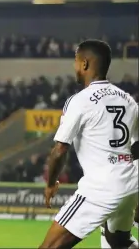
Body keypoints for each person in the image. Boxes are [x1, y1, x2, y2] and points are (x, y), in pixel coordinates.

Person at [40, 40, 139, 249]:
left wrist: (50, 184)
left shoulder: (80, 101)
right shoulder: (128, 100)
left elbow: (60, 150)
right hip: (131, 184)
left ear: (84, 64)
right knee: (119, 242)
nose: (75, 67)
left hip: (101, 187)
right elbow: (137, 147)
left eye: (76, 62)